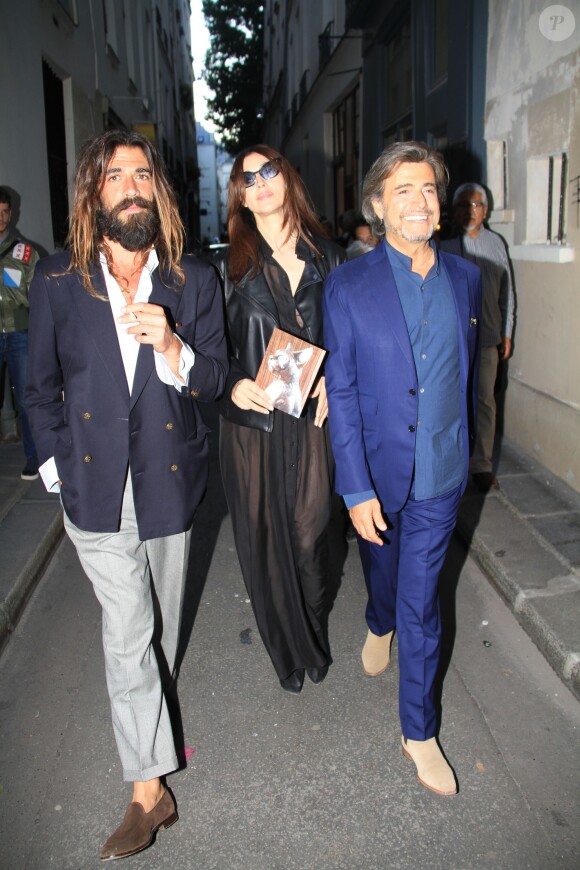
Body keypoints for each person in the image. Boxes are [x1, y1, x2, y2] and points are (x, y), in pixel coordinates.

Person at [25, 130, 227, 860]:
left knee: (158, 634)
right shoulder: (56, 280)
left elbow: (213, 383)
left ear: (158, 193)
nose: (133, 185)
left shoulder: (192, 279)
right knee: (127, 630)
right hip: (94, 487)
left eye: (143, 174)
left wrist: (176, 351)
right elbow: (39, 388)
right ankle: (147, 791)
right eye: (116, 176)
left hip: (170, 481)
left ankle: (153, 739)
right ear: (94, 193)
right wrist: (59, 470)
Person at [323, 142, 481, 796]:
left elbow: (466, 379)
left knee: (424, 604)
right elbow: (347, 390)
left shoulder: (470, 280)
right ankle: (375, 618)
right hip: (380, 469)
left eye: (428, 190)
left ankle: (418, 732)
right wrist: (355, 487)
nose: (420, 201)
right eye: (404, 189)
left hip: (441, 472)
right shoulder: (348, 285)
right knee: (381, 570)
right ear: (378, 205)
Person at [216, 145, 345, 694]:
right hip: (254, 423)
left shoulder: (330, 258)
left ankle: (310, 628)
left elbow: (348, 338)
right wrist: (230, 385)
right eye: (249, 178)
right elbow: (207, 349)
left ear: (288, 178)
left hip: (311, 419)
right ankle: (291, 653)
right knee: (265, 539)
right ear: (241, 197)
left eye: (269, 171)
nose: (261, 182)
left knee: (313, 534)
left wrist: (336, 385)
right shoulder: (226, 267)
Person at [441, 182, 515, 493]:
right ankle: (450, 461)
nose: (470, 211)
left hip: (487, 337)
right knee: (449, 401)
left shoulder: (496, 244)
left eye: (476, 205)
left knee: (485, 401)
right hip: (452, 340)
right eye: (464, 205)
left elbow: (508, 293)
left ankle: (481, 464)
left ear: (485, 210)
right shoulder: (444, 246)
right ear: (455, 211)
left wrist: (507, 332)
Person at [0, 187, 40, 479]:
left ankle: (33, 457)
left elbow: (37, 296)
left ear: (11, 214)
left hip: (19, 334)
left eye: (4, 212)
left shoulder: (24, 253)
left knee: (27, 398)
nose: (0, 218)